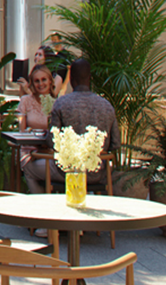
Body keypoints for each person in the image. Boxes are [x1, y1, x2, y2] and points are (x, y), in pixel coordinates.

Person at [40, 58, 118, 191]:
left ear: (71, 79)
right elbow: (115, 144)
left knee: (29, 168)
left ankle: (45, 207)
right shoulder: (107, 106)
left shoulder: (61, 104)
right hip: (98, 173)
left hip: (66, 172)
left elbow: (52, 142)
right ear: (90, 78)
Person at [14, 64, 58, 184]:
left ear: (50, 81)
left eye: (43, 79)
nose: (41, 84)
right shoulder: (26, 101)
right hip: (29, 150)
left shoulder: (57, 104)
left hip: (50, 151)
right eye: (37, 81)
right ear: (32, 84)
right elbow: (21, 132)